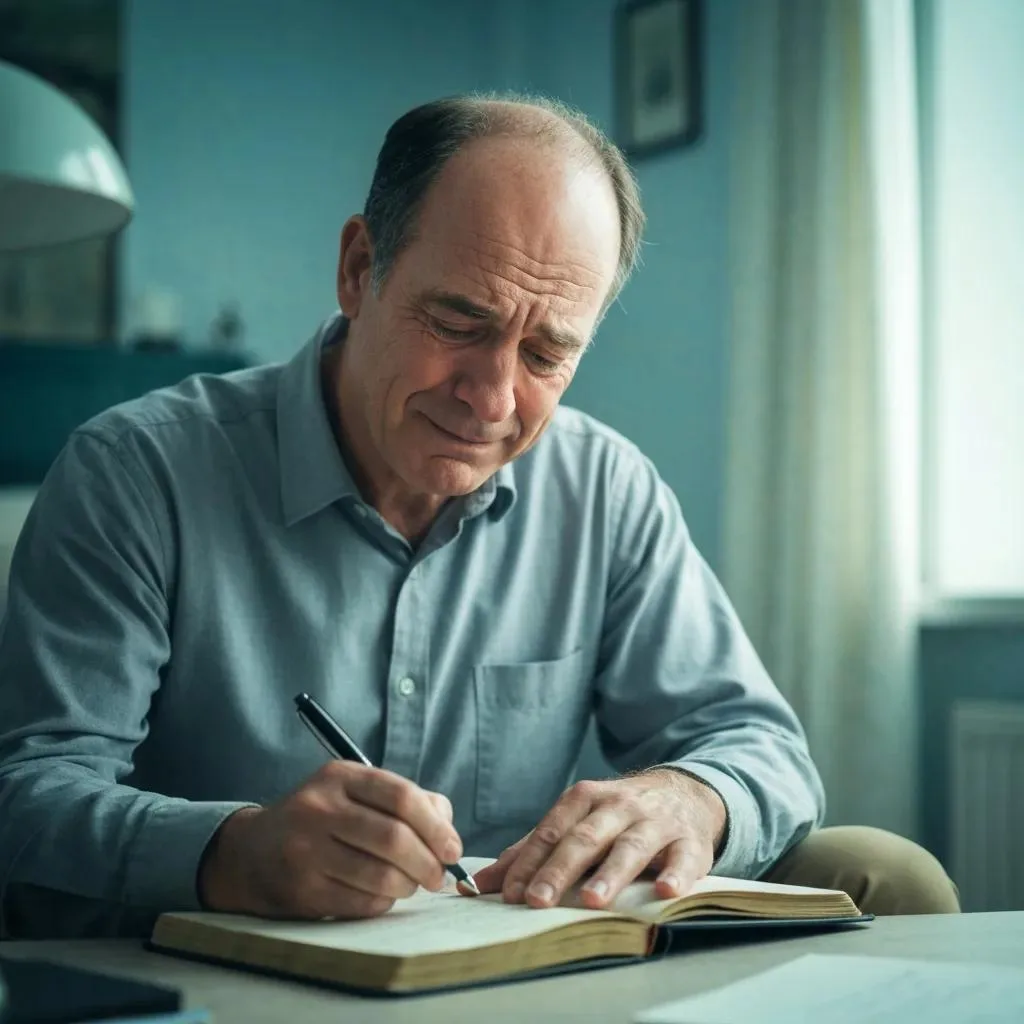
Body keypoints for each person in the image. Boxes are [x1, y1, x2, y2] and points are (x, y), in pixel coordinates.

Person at [0, 94, 958, 939]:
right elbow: (29, 789)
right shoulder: (138, 471)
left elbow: (762, 746)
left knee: (886, 872)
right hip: (233, 962)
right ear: (359, 268)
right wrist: (229, 852)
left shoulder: (605, 488)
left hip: (517, 969)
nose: (493, 398)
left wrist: (691, 795)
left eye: (546, 354)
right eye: (459, 323)